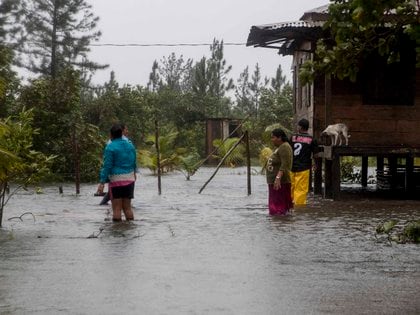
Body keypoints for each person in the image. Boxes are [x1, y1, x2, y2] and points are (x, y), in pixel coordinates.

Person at [97, 124, 137, 221]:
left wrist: (102, 182)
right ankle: (130, 230)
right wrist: (134, 173)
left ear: (111, 135)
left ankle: (117, 233)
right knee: (128, 208)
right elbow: (134, 161)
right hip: (130, 179)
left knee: (116, 209)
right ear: (121, 133)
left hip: (116, 180)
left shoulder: (110, 147)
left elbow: (107, 166)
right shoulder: (130, 145)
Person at [290, 118, 317, 206]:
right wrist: (315, 164)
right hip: (303, 168)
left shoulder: (293, 137)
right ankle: (299, 210)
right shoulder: (312, 139)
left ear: (300, 127)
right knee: (300, 190)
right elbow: (315, 154)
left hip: (291, 167)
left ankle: (288, 207)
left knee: (290, 188)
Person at [266, 128, 293, 215]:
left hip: (281, 182)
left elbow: (285, 164)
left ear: (280, 138)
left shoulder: (285, 147)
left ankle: (281, 225)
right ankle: (278, 224)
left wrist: (278, 178)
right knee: (275, 208)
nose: (272, 140)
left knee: (279, 209)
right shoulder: (280, 147)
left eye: (273, 137)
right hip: (275, 182)